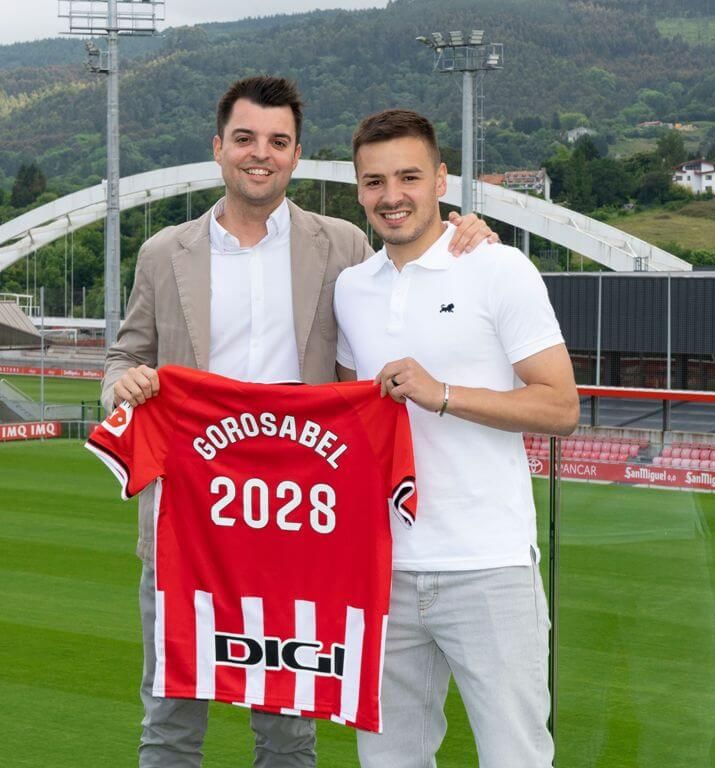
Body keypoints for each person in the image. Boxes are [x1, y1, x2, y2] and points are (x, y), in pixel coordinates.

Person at [101, 77, 494, 768]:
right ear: (218, 147)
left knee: (288, 733)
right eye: (246, 139)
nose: (262, 155)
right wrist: (122, 385)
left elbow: (410, 270)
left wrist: (465, 233)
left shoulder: (340, 243)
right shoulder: (166, 252)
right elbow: (125, 354)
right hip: (190, 524)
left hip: (297, 525)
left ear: (297, 154)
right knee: (169, 719)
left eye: (278, 142)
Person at [334, 108, 580, 768]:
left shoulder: (500, 270)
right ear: (358, 189)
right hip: (383, 572)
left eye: (409, 177)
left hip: (488, 567)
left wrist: (442, 395)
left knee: (516, 759)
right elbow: (343, 418)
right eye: (374, 181)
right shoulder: (351, 289)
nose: (392, 197)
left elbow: (560, 407)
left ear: (442, 179)